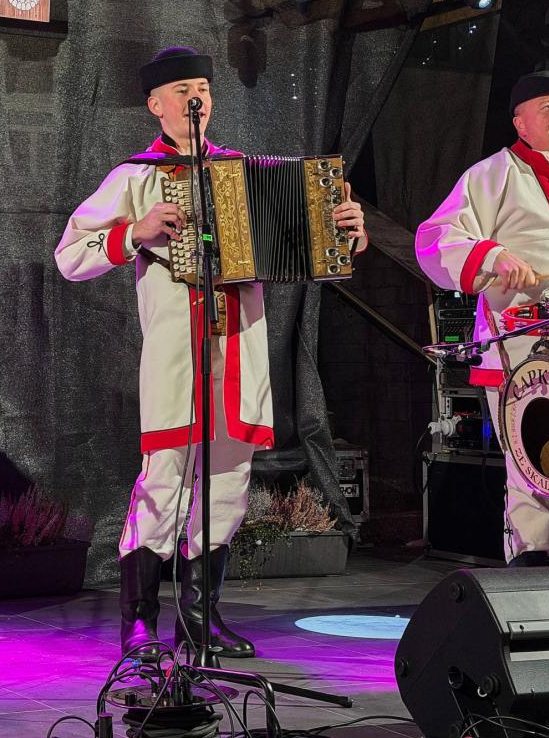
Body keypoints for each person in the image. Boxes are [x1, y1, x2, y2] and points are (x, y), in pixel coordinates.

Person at [55, 46, 367, 659]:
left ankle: (200, 618)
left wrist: (345, 232)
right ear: (156, 105)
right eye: (182, 90)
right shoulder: (136, 177)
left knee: (227, 485)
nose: (195, 98)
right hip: (177, 354)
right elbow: (70, 255)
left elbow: (311, 246)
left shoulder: (245, 174)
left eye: (202, 88)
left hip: (241, 351)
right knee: (164, 481)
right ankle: (140, 621)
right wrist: (132, 233)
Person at [415, 68, 549, 566]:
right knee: (531, 468)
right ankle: (532, 564)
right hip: (522, 349)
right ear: (520, 123)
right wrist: (493, 256)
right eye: (547, 105)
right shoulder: (491, 176)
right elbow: (434, 239)